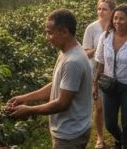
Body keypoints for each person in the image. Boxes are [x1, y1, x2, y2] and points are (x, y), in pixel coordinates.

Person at [7, 9, 93, 149]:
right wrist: (25, 98)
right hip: (70, 129)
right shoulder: (66, 52)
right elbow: (58, 85)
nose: (47, 37)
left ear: (64, 32)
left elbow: (62, 103)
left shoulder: (73, 61)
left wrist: (29, 110)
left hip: (70, 134)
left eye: (50, 32)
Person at [94, 5, 127, 149]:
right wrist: (95, 84)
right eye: (116, 18)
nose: (118, 21)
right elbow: (100, 63)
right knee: (110, 123)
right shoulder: (105, 37)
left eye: (122, 19)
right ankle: (119, 139)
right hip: (109, 85)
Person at [82, 0, 116, 149]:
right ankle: (100, 138)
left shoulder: (117, 27)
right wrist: (99, 50)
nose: (101, 12)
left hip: (113, 71)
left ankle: (116, 132)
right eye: (99, 9)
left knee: (114, 105)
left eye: (104, 9)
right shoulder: (92, 28)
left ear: (112, 11)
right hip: (96, 72)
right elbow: (85, 52)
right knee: (99, 106)